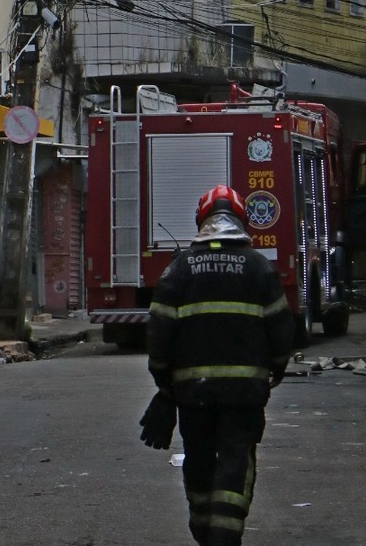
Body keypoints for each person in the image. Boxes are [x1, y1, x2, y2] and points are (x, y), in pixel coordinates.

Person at [147, 184, 294, 546]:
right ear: (243, 220)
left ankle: (203, 528)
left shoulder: (178, 269)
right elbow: (281, 328)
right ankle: (225, 537)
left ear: (202, 221)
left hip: (191, 392)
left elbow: (159, 331)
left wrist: (164, 383)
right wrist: (276, 367)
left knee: (198, 458)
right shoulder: (259, 267)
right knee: (235, 461)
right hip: (244, 393)